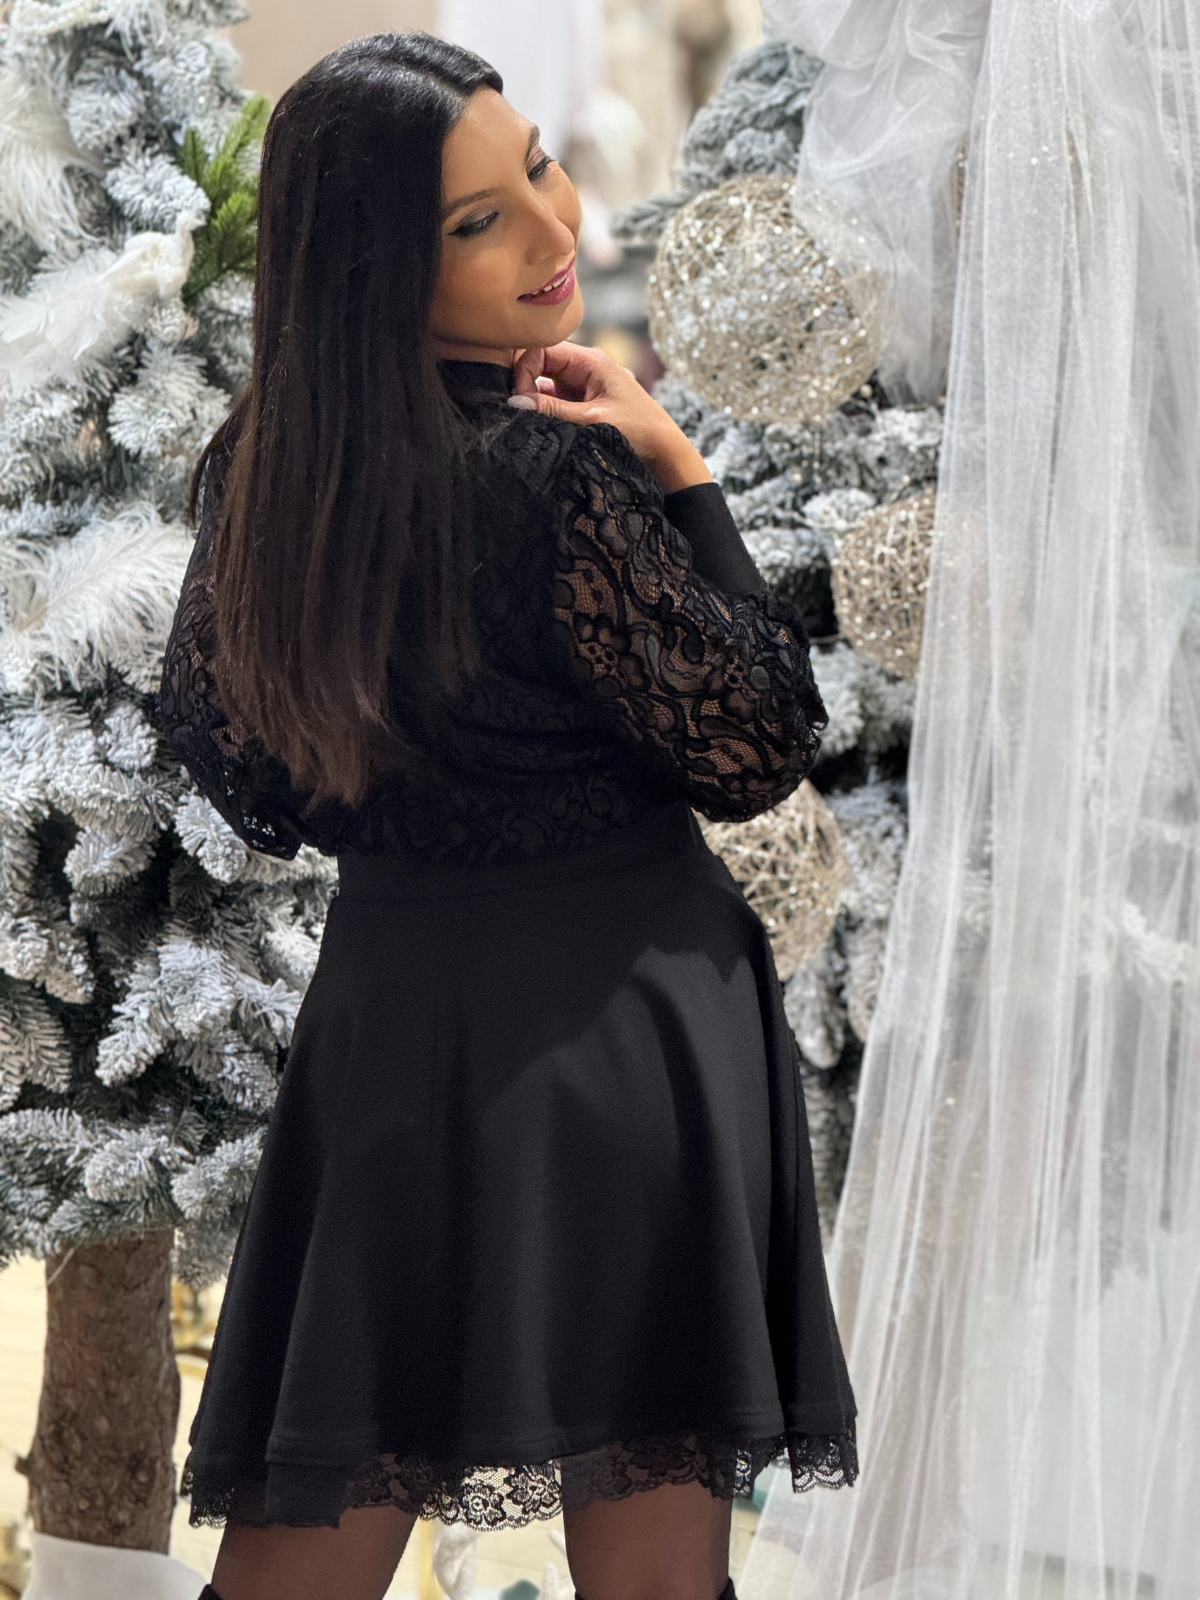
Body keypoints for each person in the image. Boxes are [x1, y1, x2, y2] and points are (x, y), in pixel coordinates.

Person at [156, 31, 858, 1600]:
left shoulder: (265, 475)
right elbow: (755, 742)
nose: (552, 228)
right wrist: (678, 467)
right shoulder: (554, 477)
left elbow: (241, 774)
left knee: (294, 1559)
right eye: (479, 221)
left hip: (394, 1034)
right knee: (657, 1577)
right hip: (629, 1038)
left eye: (538, 167)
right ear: (377, 272)